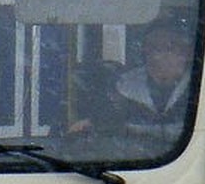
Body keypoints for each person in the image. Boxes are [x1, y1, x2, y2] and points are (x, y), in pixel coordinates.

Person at [70, 16, 194, 145]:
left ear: (187, 53)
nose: (157, 56)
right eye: (151, 48)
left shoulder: (201, 88)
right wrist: (92, 125)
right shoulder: (122, 87)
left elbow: (192, 133)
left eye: (169, 48)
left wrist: (133, 130)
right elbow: (105, 125)